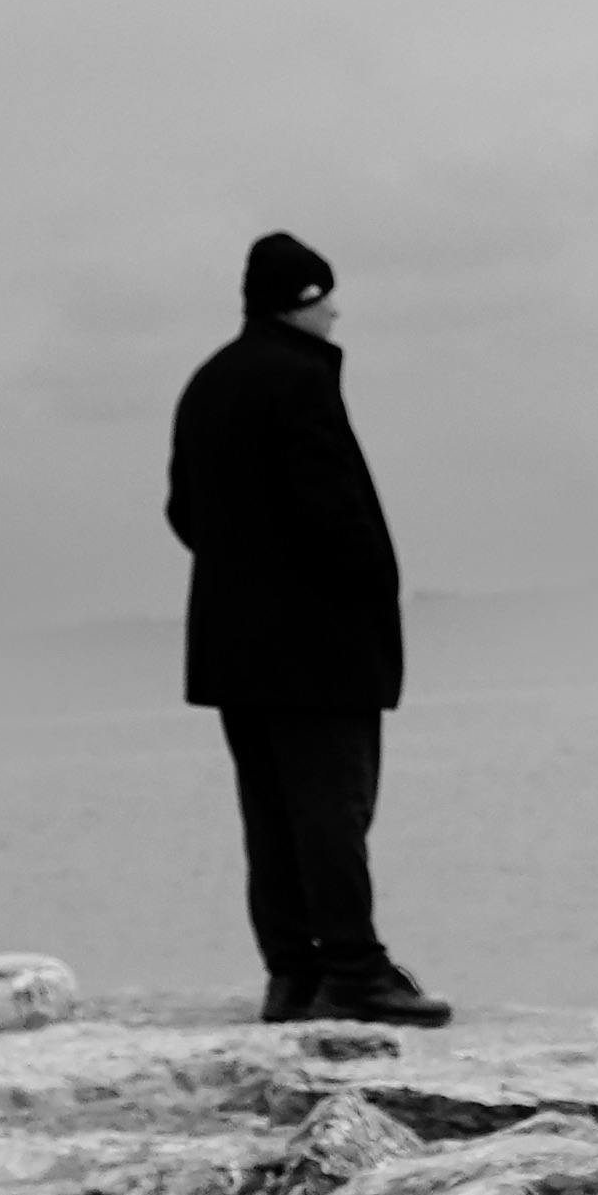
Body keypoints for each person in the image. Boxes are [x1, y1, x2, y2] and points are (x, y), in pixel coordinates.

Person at [166, 232, 451, 1028]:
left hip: (235, 647)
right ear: (298, 301)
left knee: (273, 813)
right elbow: (337, 517)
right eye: (325, 295)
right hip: (317, 645)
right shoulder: (298, 382)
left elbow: (184, 511)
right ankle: (356, 971)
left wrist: (245, 571)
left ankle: (293, 976)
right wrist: (364, 593)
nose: (335, 309)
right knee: (334, 806)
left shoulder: (208, 383)